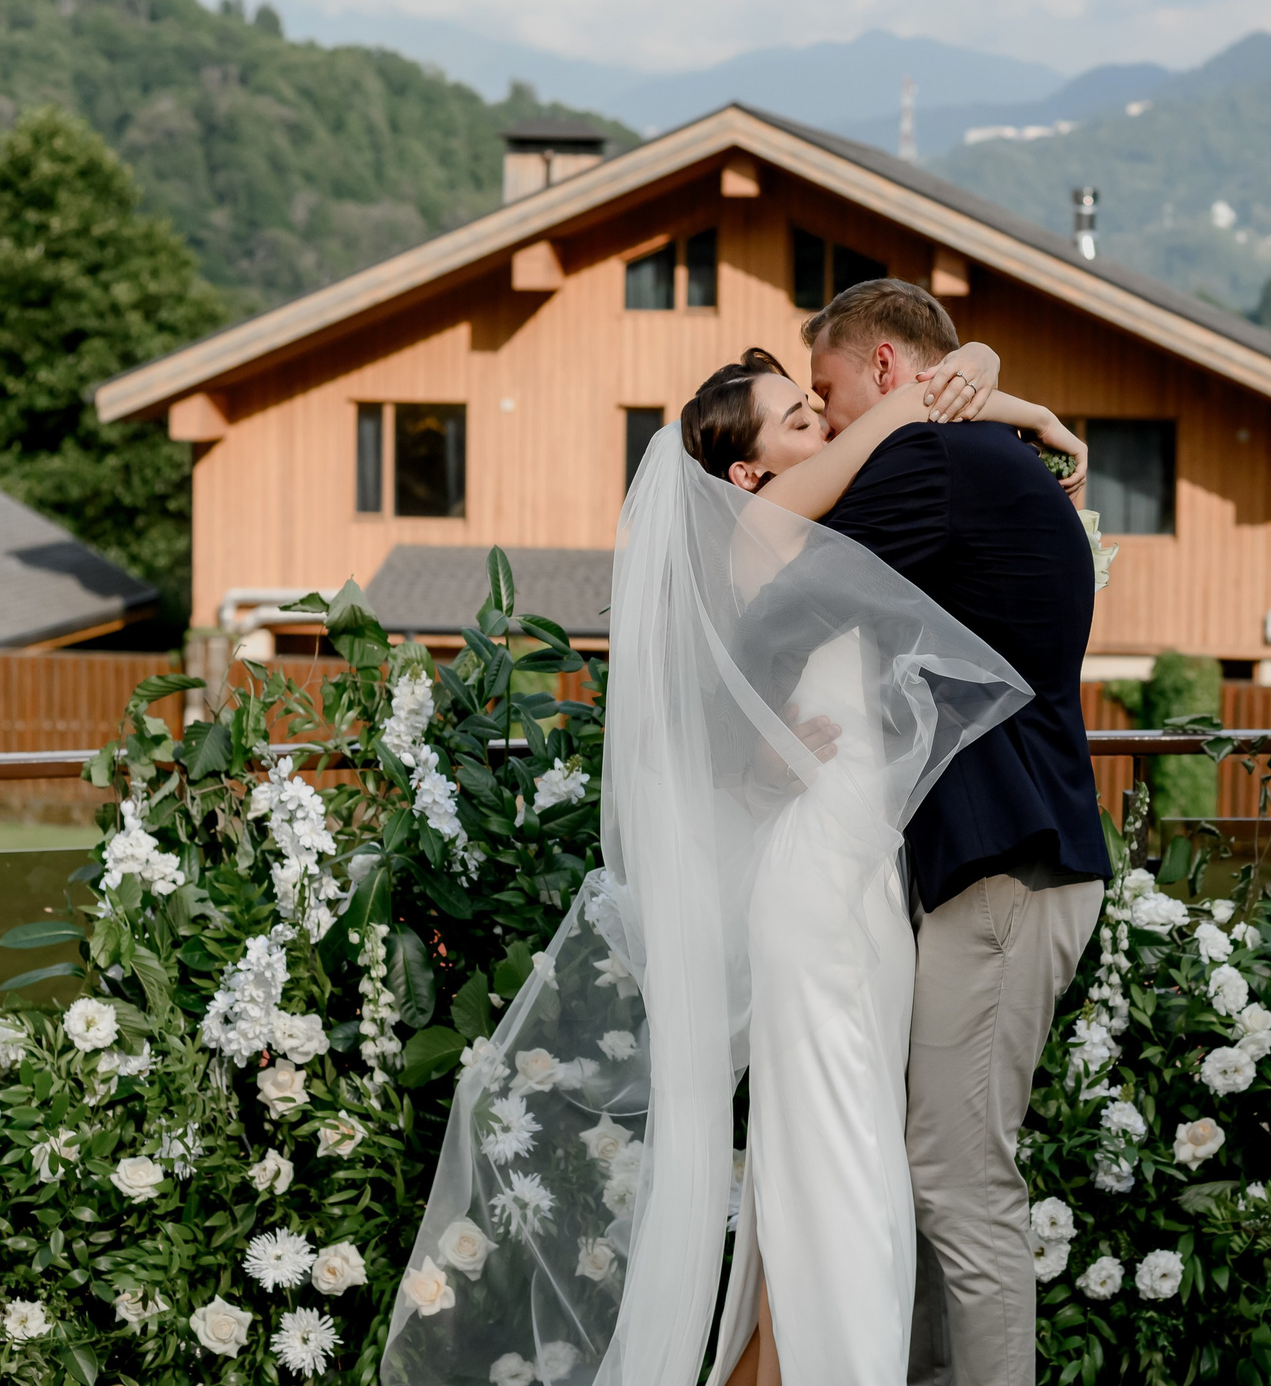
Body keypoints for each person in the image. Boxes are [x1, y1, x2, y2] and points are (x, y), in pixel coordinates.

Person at [381, 335, 1084, 1386]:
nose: (827, 423)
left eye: (819, 402)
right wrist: (987, 381)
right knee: (845, 1164)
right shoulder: (770, 522)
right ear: (749, 473)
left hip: (863, 888)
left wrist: (1010, 396)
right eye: (801, 418)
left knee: (832, 1165)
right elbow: (900, 418)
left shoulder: (822, 531)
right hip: (823, 899)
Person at [800, 282, 1108, 1386]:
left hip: (1006, 871)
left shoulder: (928, 464)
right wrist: (1017, 399)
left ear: (886, 372)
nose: (827, 425)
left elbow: (780, 576)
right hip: (1001, 867)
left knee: (960, 1174)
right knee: (935, 1166)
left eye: (829, 396)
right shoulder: (980, 458)